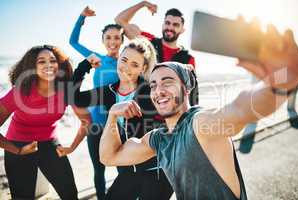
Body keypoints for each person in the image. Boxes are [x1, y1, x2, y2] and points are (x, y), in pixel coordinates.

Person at [99, 27, 298, 200]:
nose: (158, 90)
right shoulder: (160, 139)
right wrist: (112, 116)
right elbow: (109, 157)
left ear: (186, 89)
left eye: (167, 82)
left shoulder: (199, 123)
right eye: (153, 85)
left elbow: (240, 109)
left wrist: (282, 80)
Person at [70, 37, 173, 199]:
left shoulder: (151, 91)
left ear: (143, 68)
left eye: (135, 64)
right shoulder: (108, 92)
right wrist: (84, 66)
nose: (126, 67)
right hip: (128, 169)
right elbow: (75, 98)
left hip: (157, 170)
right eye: (124, 60)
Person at [0, 45, 91, 200]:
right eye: (41, 61)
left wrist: (72, 147)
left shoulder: (66, 91)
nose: (48, 65)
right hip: (19, 145)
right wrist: (17, 150)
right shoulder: (19, 92)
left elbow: (87, 121)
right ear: (32, 67)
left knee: (70, 194)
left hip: (50, 144)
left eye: (53, 60)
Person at [69, 6, 124, 198]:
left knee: (123, 169)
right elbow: (73, 41)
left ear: (122, 40)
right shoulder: (96, 59)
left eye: (117, 37)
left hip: (119, 124)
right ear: (103, 40)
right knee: (98, 169)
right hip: (95, 124)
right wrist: (81, 17)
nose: (112, 41)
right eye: (108, 37)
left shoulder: (126, 63)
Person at [115, 1, 199, 105]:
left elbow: (191, 94)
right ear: (163, 24)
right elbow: (119, 21)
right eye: (167, 23)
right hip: (143, 110)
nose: (170, 27)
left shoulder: (188, 59)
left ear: (182, 29)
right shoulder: (147, 42)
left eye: (175, 25)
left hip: (170, 115)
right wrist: (143, 4)